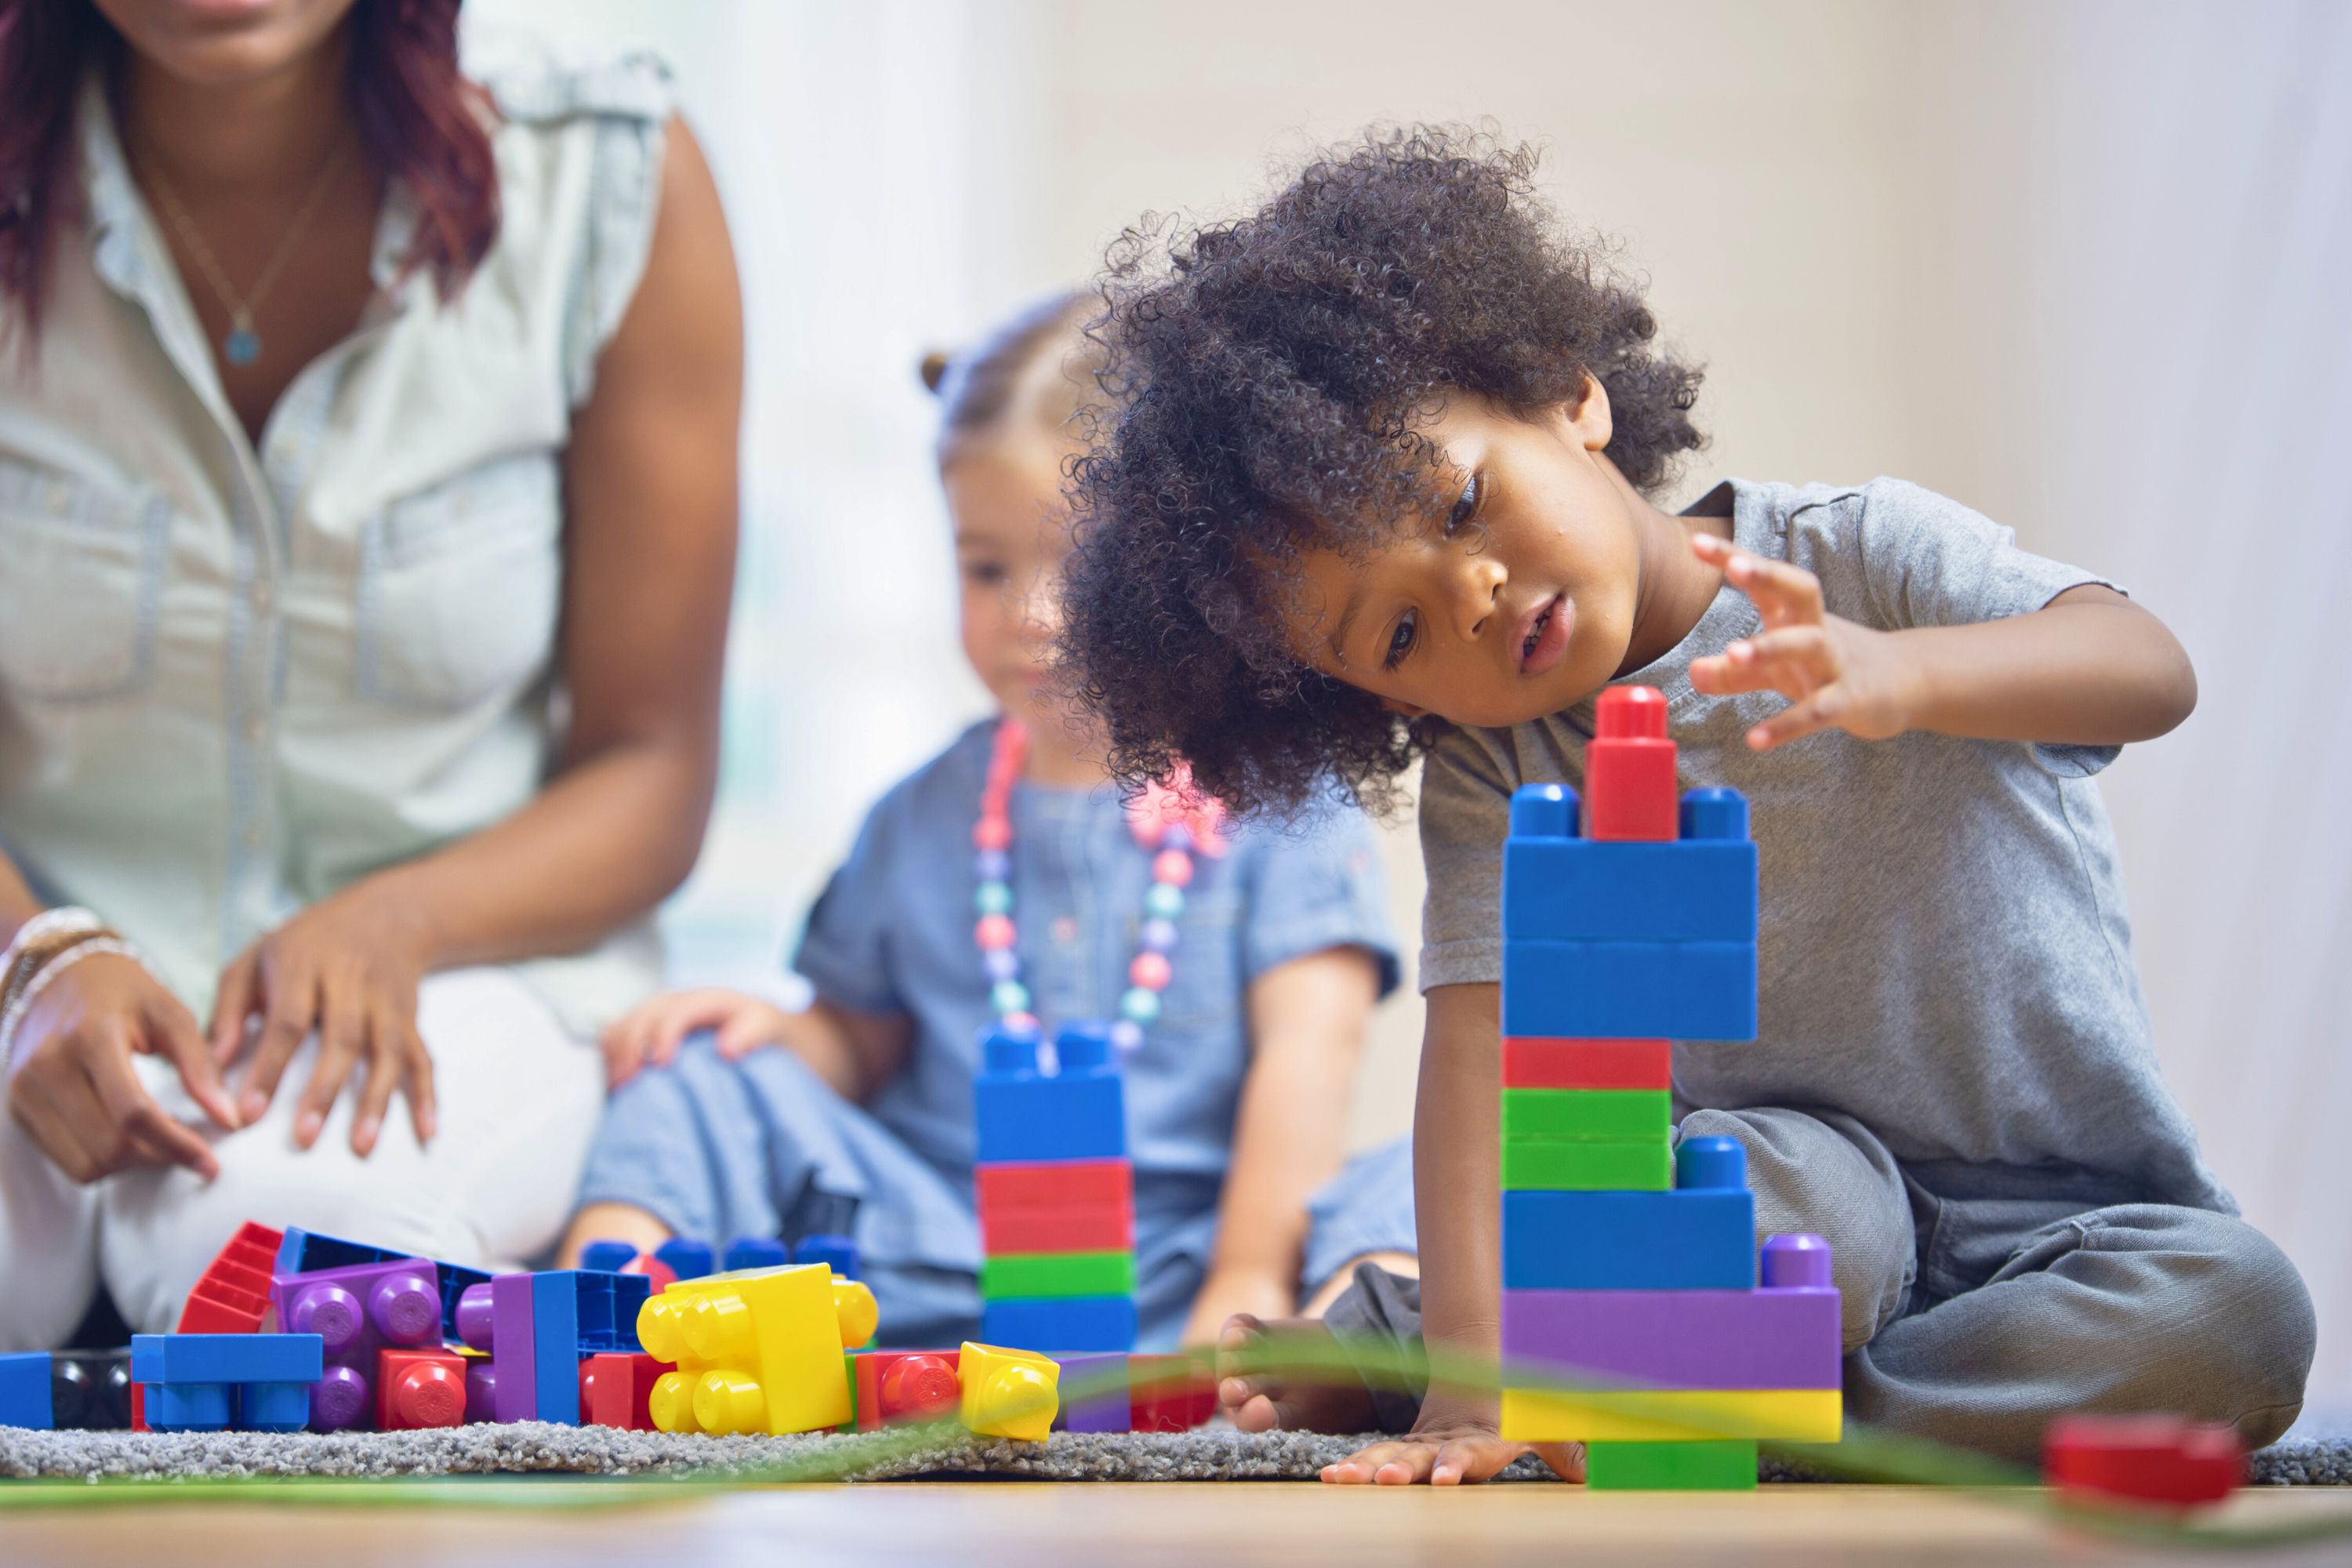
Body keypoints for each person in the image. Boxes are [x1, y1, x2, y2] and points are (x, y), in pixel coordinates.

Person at [1056, 128, 2315, 1476]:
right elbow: (1477, 1058)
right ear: (1372, 703)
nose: (1468, 594)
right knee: (1778, 1203)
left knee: (2237, 1317)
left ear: (1567, 394)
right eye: (1401, 637)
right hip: (1766, 1193)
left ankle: (1725, 1412)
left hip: (2062, 1224)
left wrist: (1908, 673)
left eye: (1465, 503)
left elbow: (2149, 669)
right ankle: (1527, 1362)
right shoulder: (1500, 762)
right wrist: (1480, 1401)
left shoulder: (1862, 561)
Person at [0, 0, 740, 1345]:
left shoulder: (605, 170)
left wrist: (395, 922)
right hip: (33, 959)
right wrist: (35, 951)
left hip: (469, 967)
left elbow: (654, 769)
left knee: (284, 1263)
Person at [562, 292, 1416, 1351]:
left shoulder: (1281, 797)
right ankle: (592, 1337)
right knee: (695, 1080)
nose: (1034, 614)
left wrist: (1243, 1274)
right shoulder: (925, 814)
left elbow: (1311, 1056)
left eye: (1083, 564)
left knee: (1447, 1166)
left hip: (1193, 1265)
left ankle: (1317, 1355)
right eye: (986, 567)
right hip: (942, 1257)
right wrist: (780, 1040)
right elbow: (861, 1040)